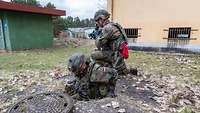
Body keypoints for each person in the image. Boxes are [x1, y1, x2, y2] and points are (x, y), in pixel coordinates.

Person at [91, 9, 129, 76]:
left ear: (102, 19)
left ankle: (111, 67)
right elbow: (105, 45)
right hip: (118, 54)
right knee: (97, 51)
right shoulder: (113, 25)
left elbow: (99, 45)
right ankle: (118, 67)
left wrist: (97, 36)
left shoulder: (107, 28)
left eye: (97, 20)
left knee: (93, 54)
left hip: (116, 55)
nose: (96, 23)